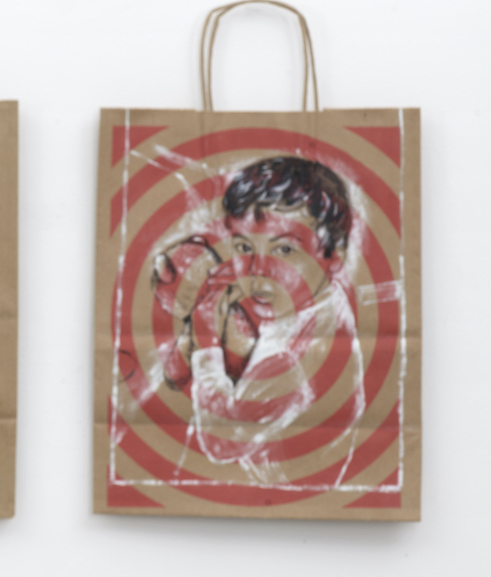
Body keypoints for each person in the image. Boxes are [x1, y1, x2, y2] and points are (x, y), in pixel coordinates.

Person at [150, 156, 364, 481]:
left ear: (335, 255)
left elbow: (219, 445)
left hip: (286, 500)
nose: (258, 270)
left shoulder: (296, 358)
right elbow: (174, 375)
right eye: (243, 247)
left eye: (284, 251)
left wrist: (207, 340)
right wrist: (197, 324)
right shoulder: (295, 300)